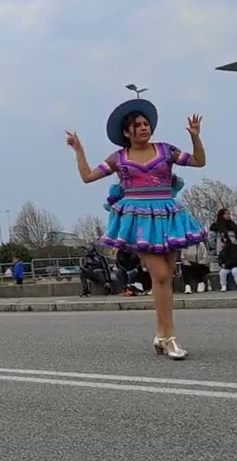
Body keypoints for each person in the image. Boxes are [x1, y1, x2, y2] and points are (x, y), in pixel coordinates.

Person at [66, 98, 207, 360]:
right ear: (126, 132)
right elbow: (87, 177)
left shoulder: (166, 150)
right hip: (140, 220)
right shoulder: (119, 158)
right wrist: (79, 150)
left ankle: (163, 335)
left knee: (164, 278)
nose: (144, 128)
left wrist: (196, 137)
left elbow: (199, 161)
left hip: (167, 215)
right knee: (161, 274)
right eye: (137, 125)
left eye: (146, 124)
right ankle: (169, 337)